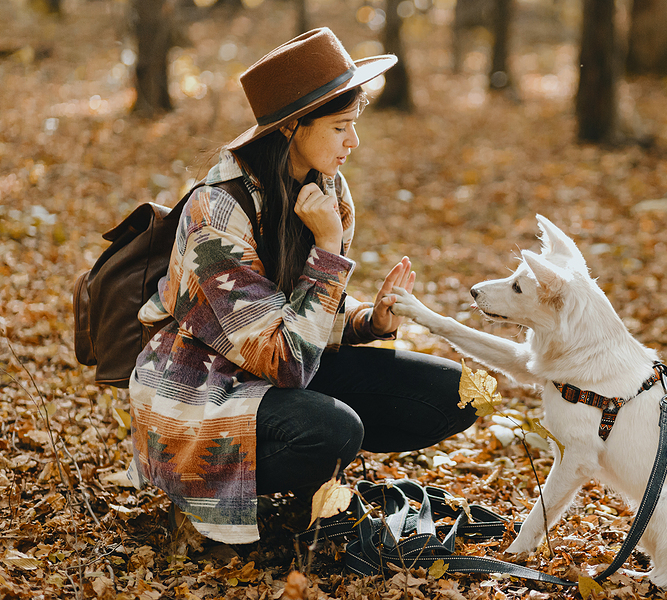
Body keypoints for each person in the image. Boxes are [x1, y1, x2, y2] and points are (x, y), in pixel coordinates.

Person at [126, 28, 477, 544]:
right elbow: (285, 360)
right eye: (341, 128)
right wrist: (329, 250)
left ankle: (310, 479)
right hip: (201, 392)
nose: (353, 143)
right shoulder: (216, 213)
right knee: (332, 430)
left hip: (276, 370)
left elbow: (304, 318)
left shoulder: (326, 184)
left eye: (354, 125)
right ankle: (210, 492)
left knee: (459, 394)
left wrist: (366, 321)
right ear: (292, 127)